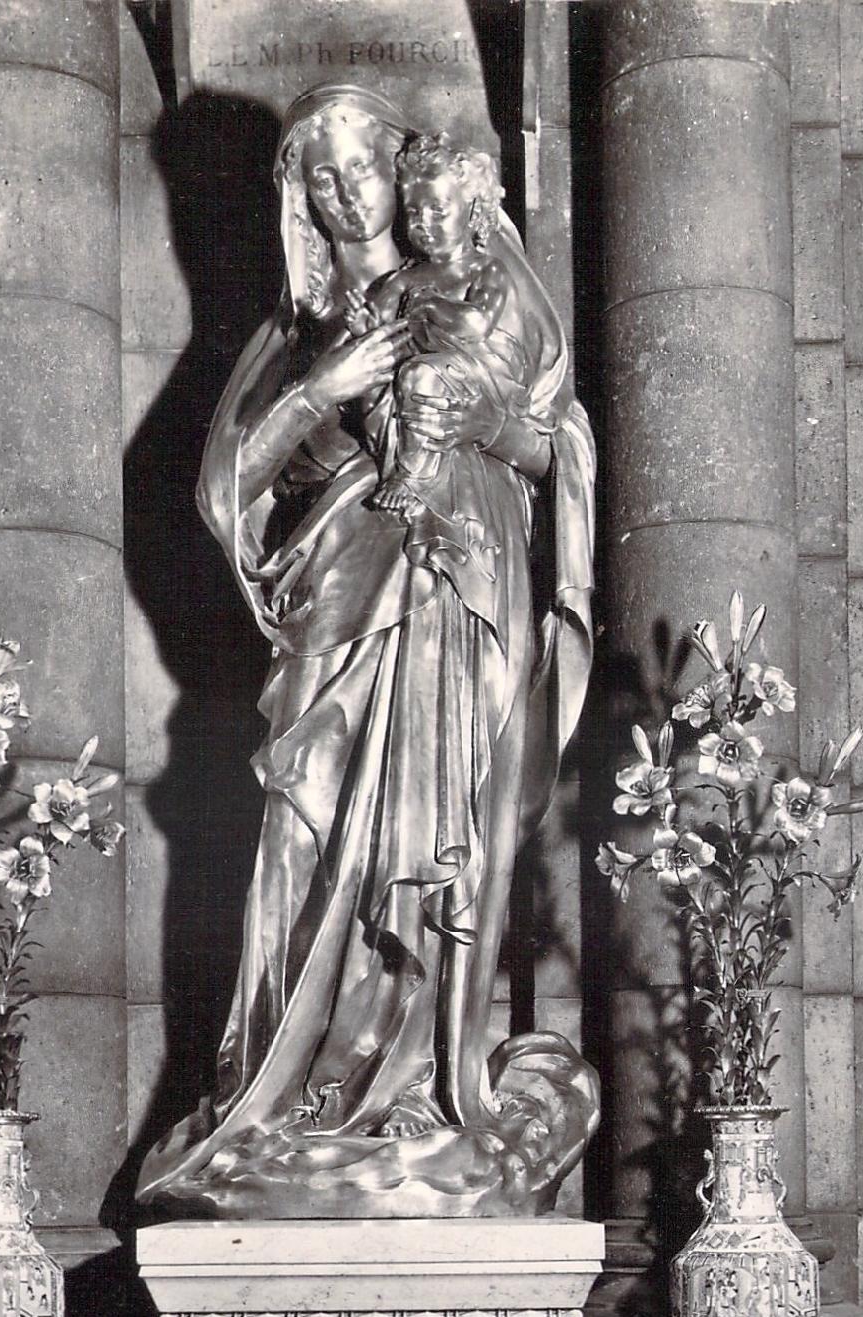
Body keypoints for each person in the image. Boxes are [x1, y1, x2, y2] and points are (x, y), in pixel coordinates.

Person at [136, 84, 600, 1218]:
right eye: (323, 179)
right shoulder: (292, 336)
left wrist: (475, 420)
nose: (351, 194)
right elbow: (220, 488)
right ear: (300, 201)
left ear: (404, 168)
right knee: (305, 837)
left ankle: (429, 1096)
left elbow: (555, 442)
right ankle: (291, 1094)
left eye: (365, 167)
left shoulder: (490, 286)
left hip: (462, 585)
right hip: (335, 610)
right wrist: (321, 392)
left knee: (445, 833)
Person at [351, 133, 529, 532]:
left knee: (421, 374)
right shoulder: (404, 278)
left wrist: (431, 305)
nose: (423, 223)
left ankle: (414, 472)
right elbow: (380, 322)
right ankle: (400, 458)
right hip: (414, 387)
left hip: (475, 380)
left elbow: (478, 324)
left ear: (471, 207)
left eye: (437, 209)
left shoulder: (484, 269)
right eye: (413, 212)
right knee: (404, 378)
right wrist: (365, 328)